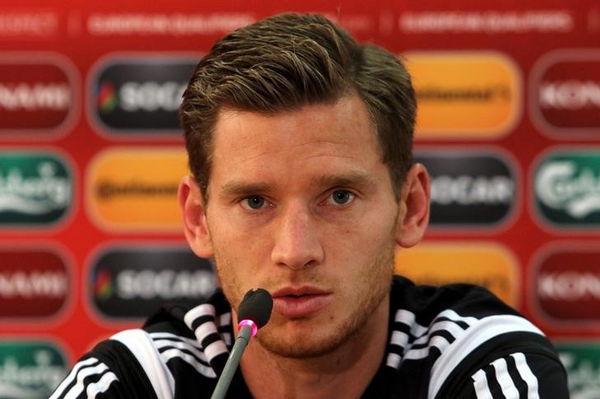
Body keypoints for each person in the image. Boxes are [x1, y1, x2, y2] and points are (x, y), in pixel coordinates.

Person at [50, 13, 569, 399]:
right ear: (197, 218)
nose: (295, 251)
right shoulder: (136, 382)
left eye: (339, 197)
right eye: (255, 201)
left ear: (409, 207)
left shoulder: (481, 365)